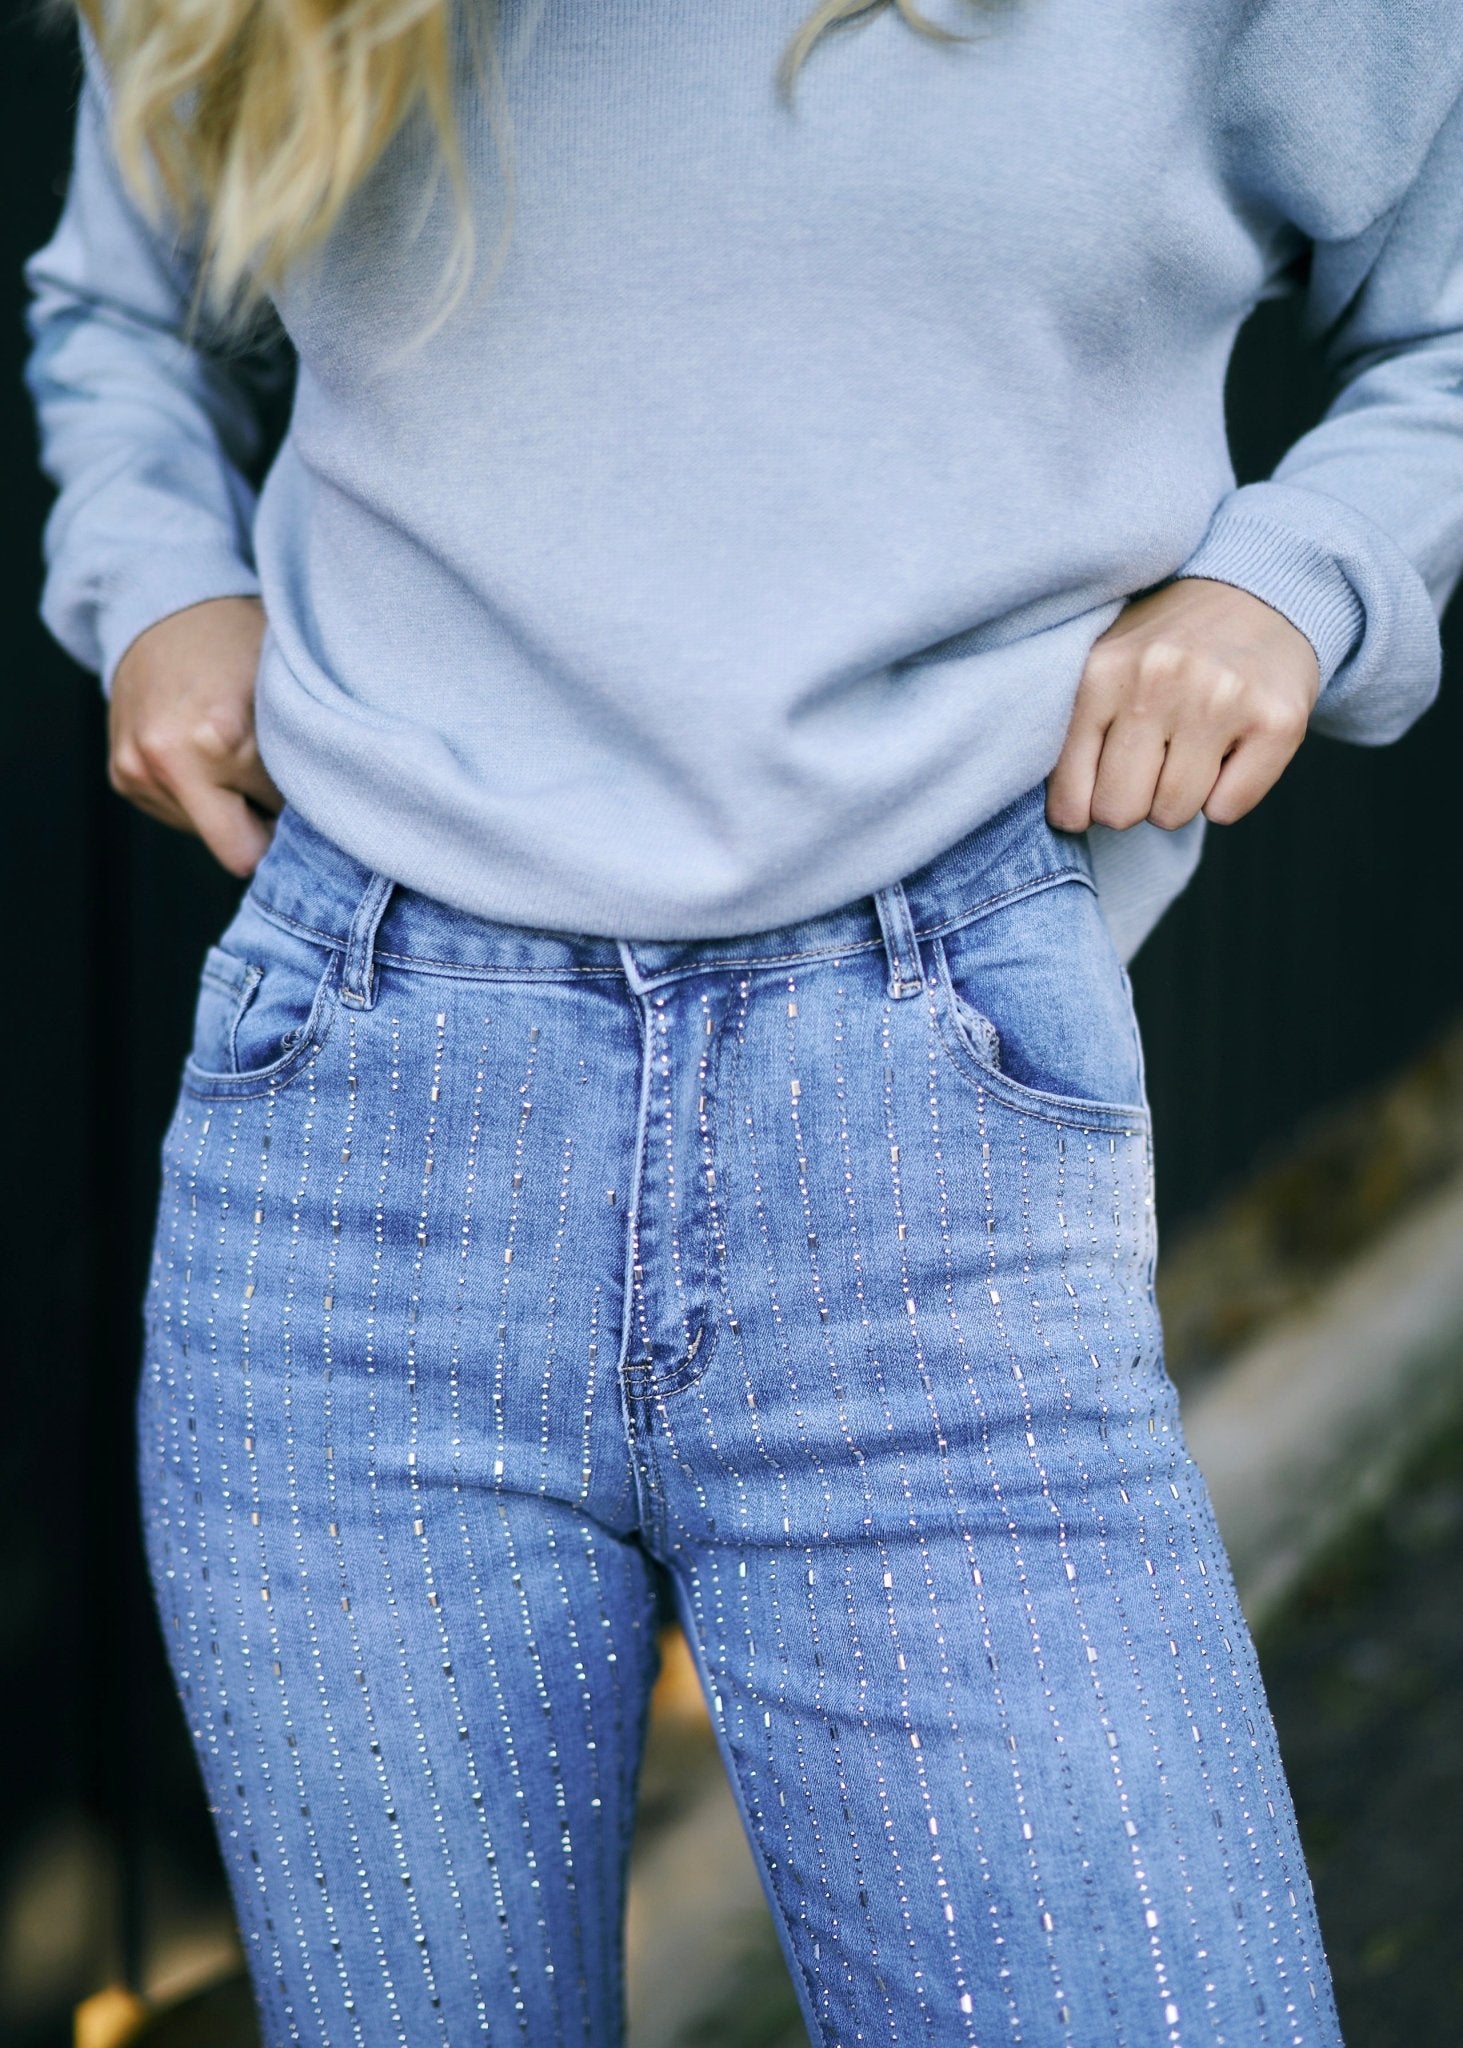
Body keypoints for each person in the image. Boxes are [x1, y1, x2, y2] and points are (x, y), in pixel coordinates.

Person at [21, 1, 1463, 2041]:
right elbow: (115, 307)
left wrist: (1301, 578)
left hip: (927, 1167)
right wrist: (156, 574)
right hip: (354, 1147)